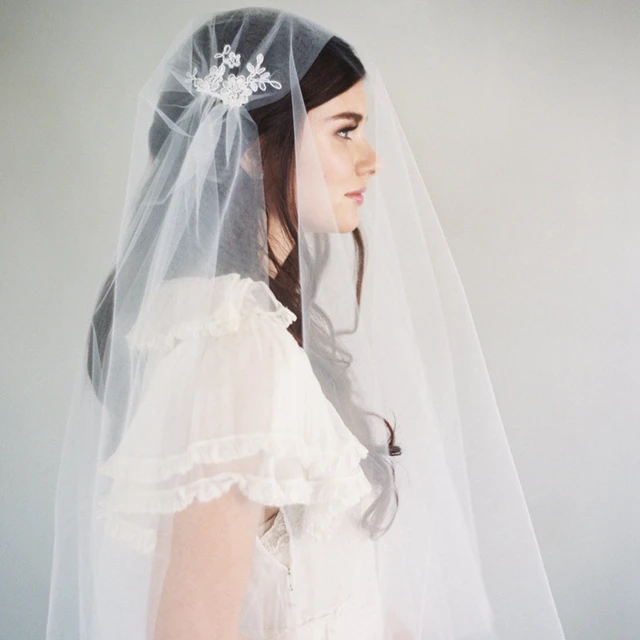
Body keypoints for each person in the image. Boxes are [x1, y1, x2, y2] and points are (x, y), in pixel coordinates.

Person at [45, 7, 567, 640]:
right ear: (250, 149)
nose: (371, 161)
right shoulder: (234, 344)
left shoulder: (223, 325)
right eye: (344, 131)